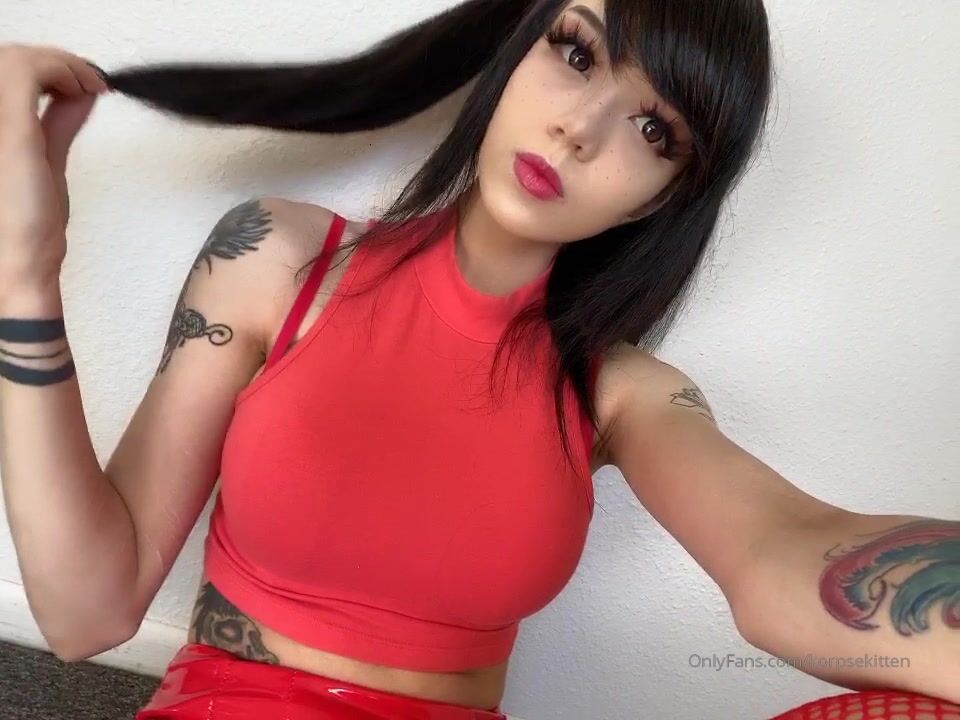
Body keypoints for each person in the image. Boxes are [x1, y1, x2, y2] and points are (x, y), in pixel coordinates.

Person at [0, 0, 956, 718]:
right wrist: (24, 273)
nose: (580, 129)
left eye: (654, 130)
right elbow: (88, 612)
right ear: (516, 43)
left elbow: (786, 547)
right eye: (576, 52)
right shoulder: (278, 261)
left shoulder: (623, 395)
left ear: (663, 197)